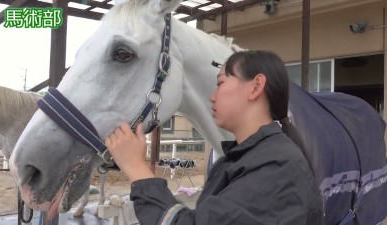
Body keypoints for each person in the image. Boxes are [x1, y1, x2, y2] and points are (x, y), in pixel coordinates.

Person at [105, 50, 325, 225]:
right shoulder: (247, 158)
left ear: (256, 86)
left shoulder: (277, 168)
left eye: (220, 83)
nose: (212, 96)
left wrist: (137, 170)